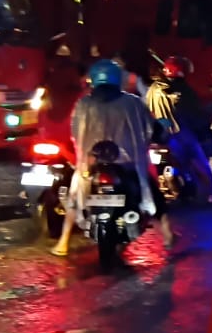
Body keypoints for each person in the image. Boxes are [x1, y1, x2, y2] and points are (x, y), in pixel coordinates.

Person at [53, 59, 167, 257]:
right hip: (128, 164)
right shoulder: (132, 103)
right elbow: (149, 128)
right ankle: (167, 236)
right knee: (152, 196)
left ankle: (63, 242)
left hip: (91, 165)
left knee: (74, 197)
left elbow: (74, 133)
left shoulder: (83, 104)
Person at [146, 56, 212, 203]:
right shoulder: (184, 90)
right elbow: (194, 113)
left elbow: (147, 109)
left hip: (159, 135)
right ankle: (211, 192)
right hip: (182, 133)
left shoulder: (154, 89)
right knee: (200, 161)